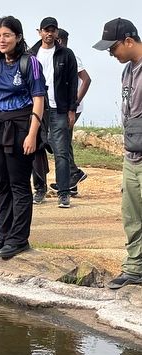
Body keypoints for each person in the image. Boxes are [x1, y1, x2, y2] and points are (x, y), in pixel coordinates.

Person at [0, 16, 46, 258]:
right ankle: (2, 235)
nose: (1, 40)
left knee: (19, 185)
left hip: (20, 127)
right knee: (0, 183)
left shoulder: (30, 63)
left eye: (7, 35)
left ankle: (19, 239)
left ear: (18, 37)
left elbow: (39, 99)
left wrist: (32, 135)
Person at [93, 18, 142, 289]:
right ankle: (135, 269)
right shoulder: (127, 72)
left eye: (113, 48)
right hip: (131, 155)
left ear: (129, 41)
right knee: (131, 216)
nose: (111, 53)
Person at [30, 17, 78, 208]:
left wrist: (71, 109)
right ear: (39, 32)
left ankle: (63, 193)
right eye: (46, 30)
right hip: (36, 109)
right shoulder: (31, 54)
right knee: (35, 150)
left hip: (59, 109)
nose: (49, 34)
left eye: (52, 30)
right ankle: (40, 189)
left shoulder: (66, 54)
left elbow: (73, 83)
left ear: (57, 32)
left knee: (61, 152)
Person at [49, 28, 92, 195]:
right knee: (63, 141)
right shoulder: (58, 56)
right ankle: (71, 182)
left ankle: (74, 173)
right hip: (61, 106)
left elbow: (87, 79)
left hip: (70, 108)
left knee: (55, 140)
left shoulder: (70, 56)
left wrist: (75, 102)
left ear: (59, 40)